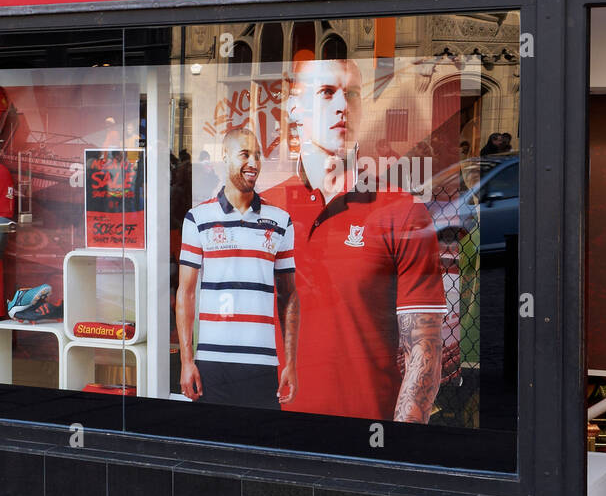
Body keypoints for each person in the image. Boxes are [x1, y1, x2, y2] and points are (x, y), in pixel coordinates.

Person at [261, 58, 446, 423]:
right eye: (327, 93)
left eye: (354, 94)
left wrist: (399, 450)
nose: (343, 106)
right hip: (270, 435)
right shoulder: (265, 209)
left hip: (363, 437)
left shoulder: (400, 212)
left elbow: (424, 348)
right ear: (295, 109)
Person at [176, 127, 298, 410]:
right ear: (224, 157)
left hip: (263, 364)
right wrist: (186, 361)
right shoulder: (197, 218)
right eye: (245, 154)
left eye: (257, 155)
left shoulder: (281, 220)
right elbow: (186, 293)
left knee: (264, 449)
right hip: (212, 364)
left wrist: (290, 361)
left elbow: (289, 296)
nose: (253, 163)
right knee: (212, 448)